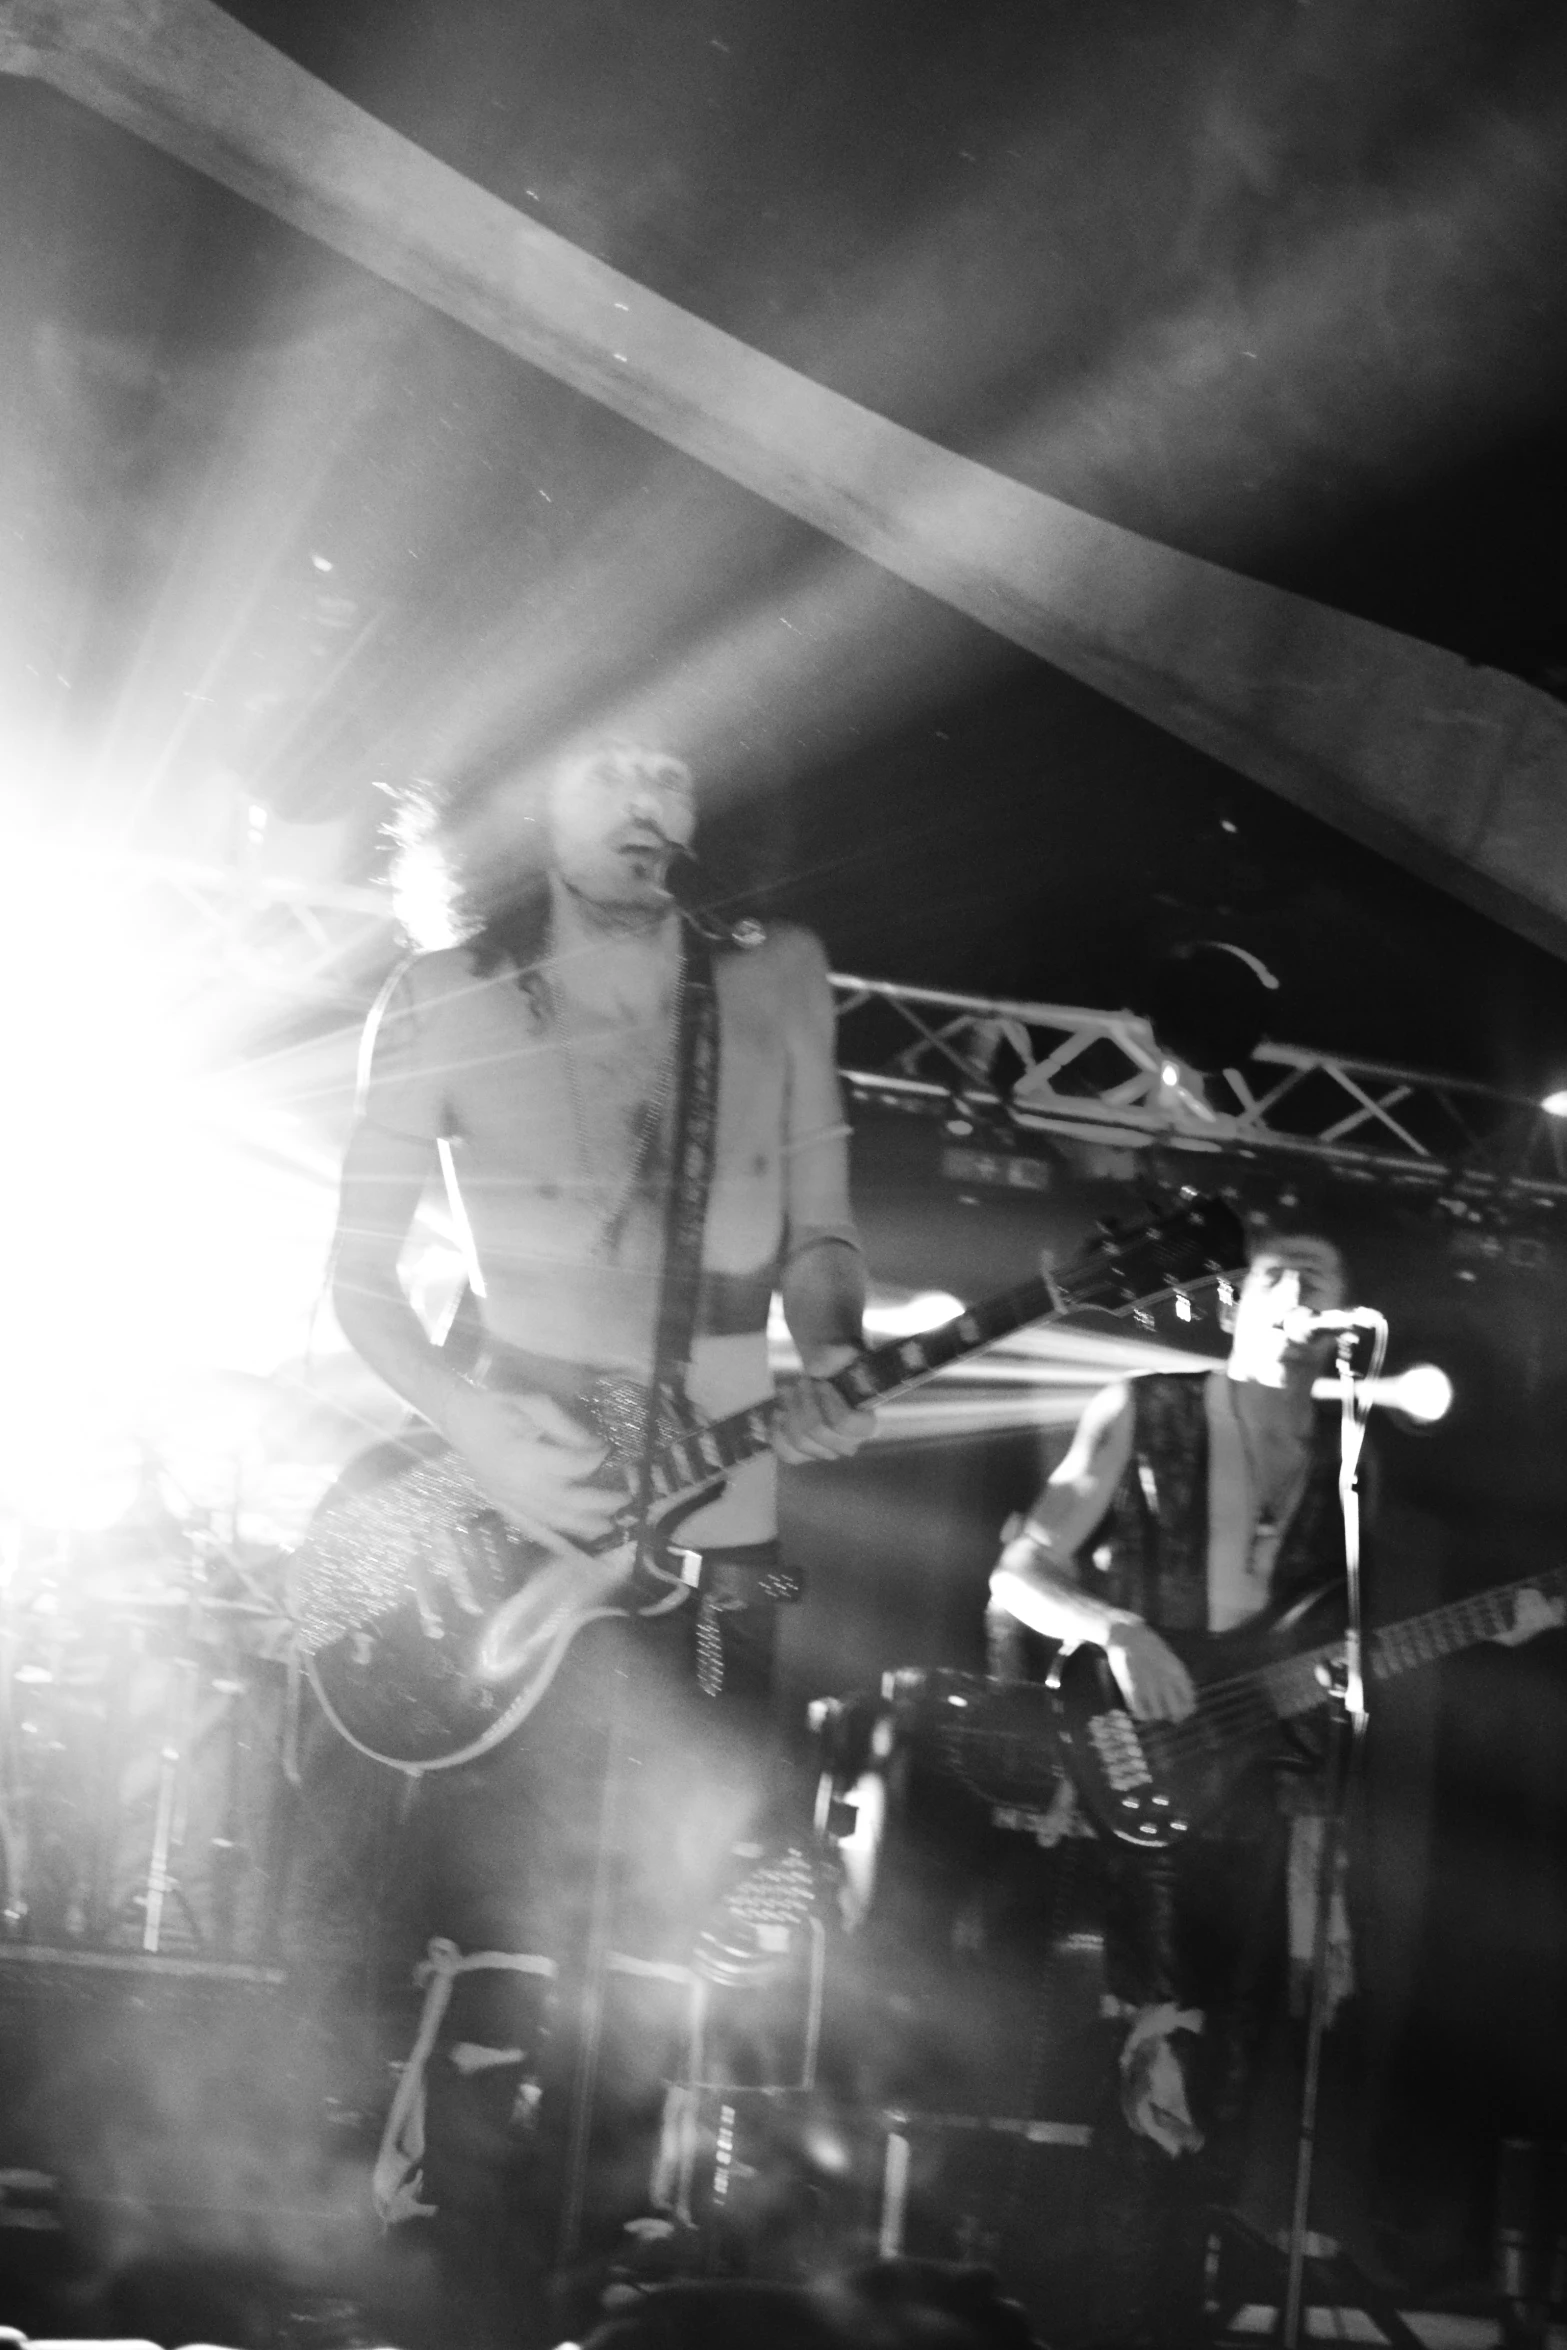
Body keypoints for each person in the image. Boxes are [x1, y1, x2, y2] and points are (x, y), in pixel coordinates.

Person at [321, 733, 874, 2344]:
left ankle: (605, 2290)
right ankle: (463, 2290)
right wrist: (483, 1426)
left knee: (672, 1936)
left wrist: (833, 1346)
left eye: (675, 776)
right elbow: (362, 1291)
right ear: (522, 805)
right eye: (604, 773)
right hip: (519, 1503)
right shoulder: (438, 995)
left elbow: (823, 1228)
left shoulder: (776, 977)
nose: (647, 804)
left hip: (727, 1512)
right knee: (498, 1940)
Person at [987, 1227, 1559, 2346]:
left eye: (1322, 1278)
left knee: (1231, 2091)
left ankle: (1171, 2317)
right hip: (1133, 1771)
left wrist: (1503, 1617)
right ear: (1237, 1306)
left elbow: (1312, 1652)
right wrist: (1116, 1626)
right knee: (1159, 2063)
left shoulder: (1352, 1461)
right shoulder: (1142, 1407)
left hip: (1252, 1807)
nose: (1299, 1292)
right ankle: (1102, 2318)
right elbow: (1017, 1570)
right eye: (1276, 1277)